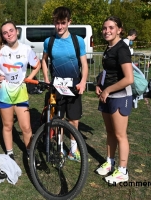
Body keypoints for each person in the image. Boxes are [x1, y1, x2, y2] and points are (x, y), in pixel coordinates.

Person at [0, 21, 41, 161]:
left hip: (21, 92)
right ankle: (10, 153)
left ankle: (29, 151)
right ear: (3, 36)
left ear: (17, 31)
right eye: (5, 33)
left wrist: (28, 78)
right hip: (4, 92)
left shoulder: (26, 49)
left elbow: (37, 64)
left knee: (26, 127)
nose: (9, 34)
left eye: (11, 30)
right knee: (7, 125)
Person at [41, 6, 88, 162]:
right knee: (59, 119)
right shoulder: (49, 41)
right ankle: (60, 149)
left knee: (74, 119)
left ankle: (73, 150)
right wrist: (46, 78)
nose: (59, 27)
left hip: (74, 85)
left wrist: (82, 82)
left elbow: (84, 64)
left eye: (63, 23)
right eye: (56, 23)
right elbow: (44, 60)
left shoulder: (77, 41)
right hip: (57, 86)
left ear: (69, 22)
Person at [95, 16, 134, 184]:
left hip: (120, 96)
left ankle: (123, 171)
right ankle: (110, 163)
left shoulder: (122, 49)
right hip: (107, 95)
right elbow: (109, 72)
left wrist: (108, 90)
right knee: (110, 132)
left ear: (119, 29)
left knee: (120, 134)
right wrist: (99, 83)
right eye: (104, 28)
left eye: (111, 27)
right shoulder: (109, 47)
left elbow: (129, 78)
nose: (107, 31)